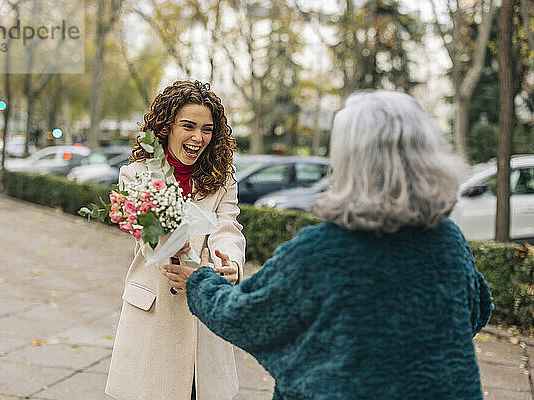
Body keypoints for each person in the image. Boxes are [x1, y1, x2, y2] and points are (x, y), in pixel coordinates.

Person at [164, 90, 494, 399]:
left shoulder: (324, 251)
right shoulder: (449, 240)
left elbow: (247, 317)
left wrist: (200, 282)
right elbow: (477, 308)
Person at [105, 80, 246, 400]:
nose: (199, 138)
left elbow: (228, 224)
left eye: (207, 129)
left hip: (203, 313)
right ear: (167, 126)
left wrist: (229, 262)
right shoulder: (136, 175)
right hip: (154, 312)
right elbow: (146, 241)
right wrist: (175, 247)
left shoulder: (222, 175)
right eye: (189, 126)